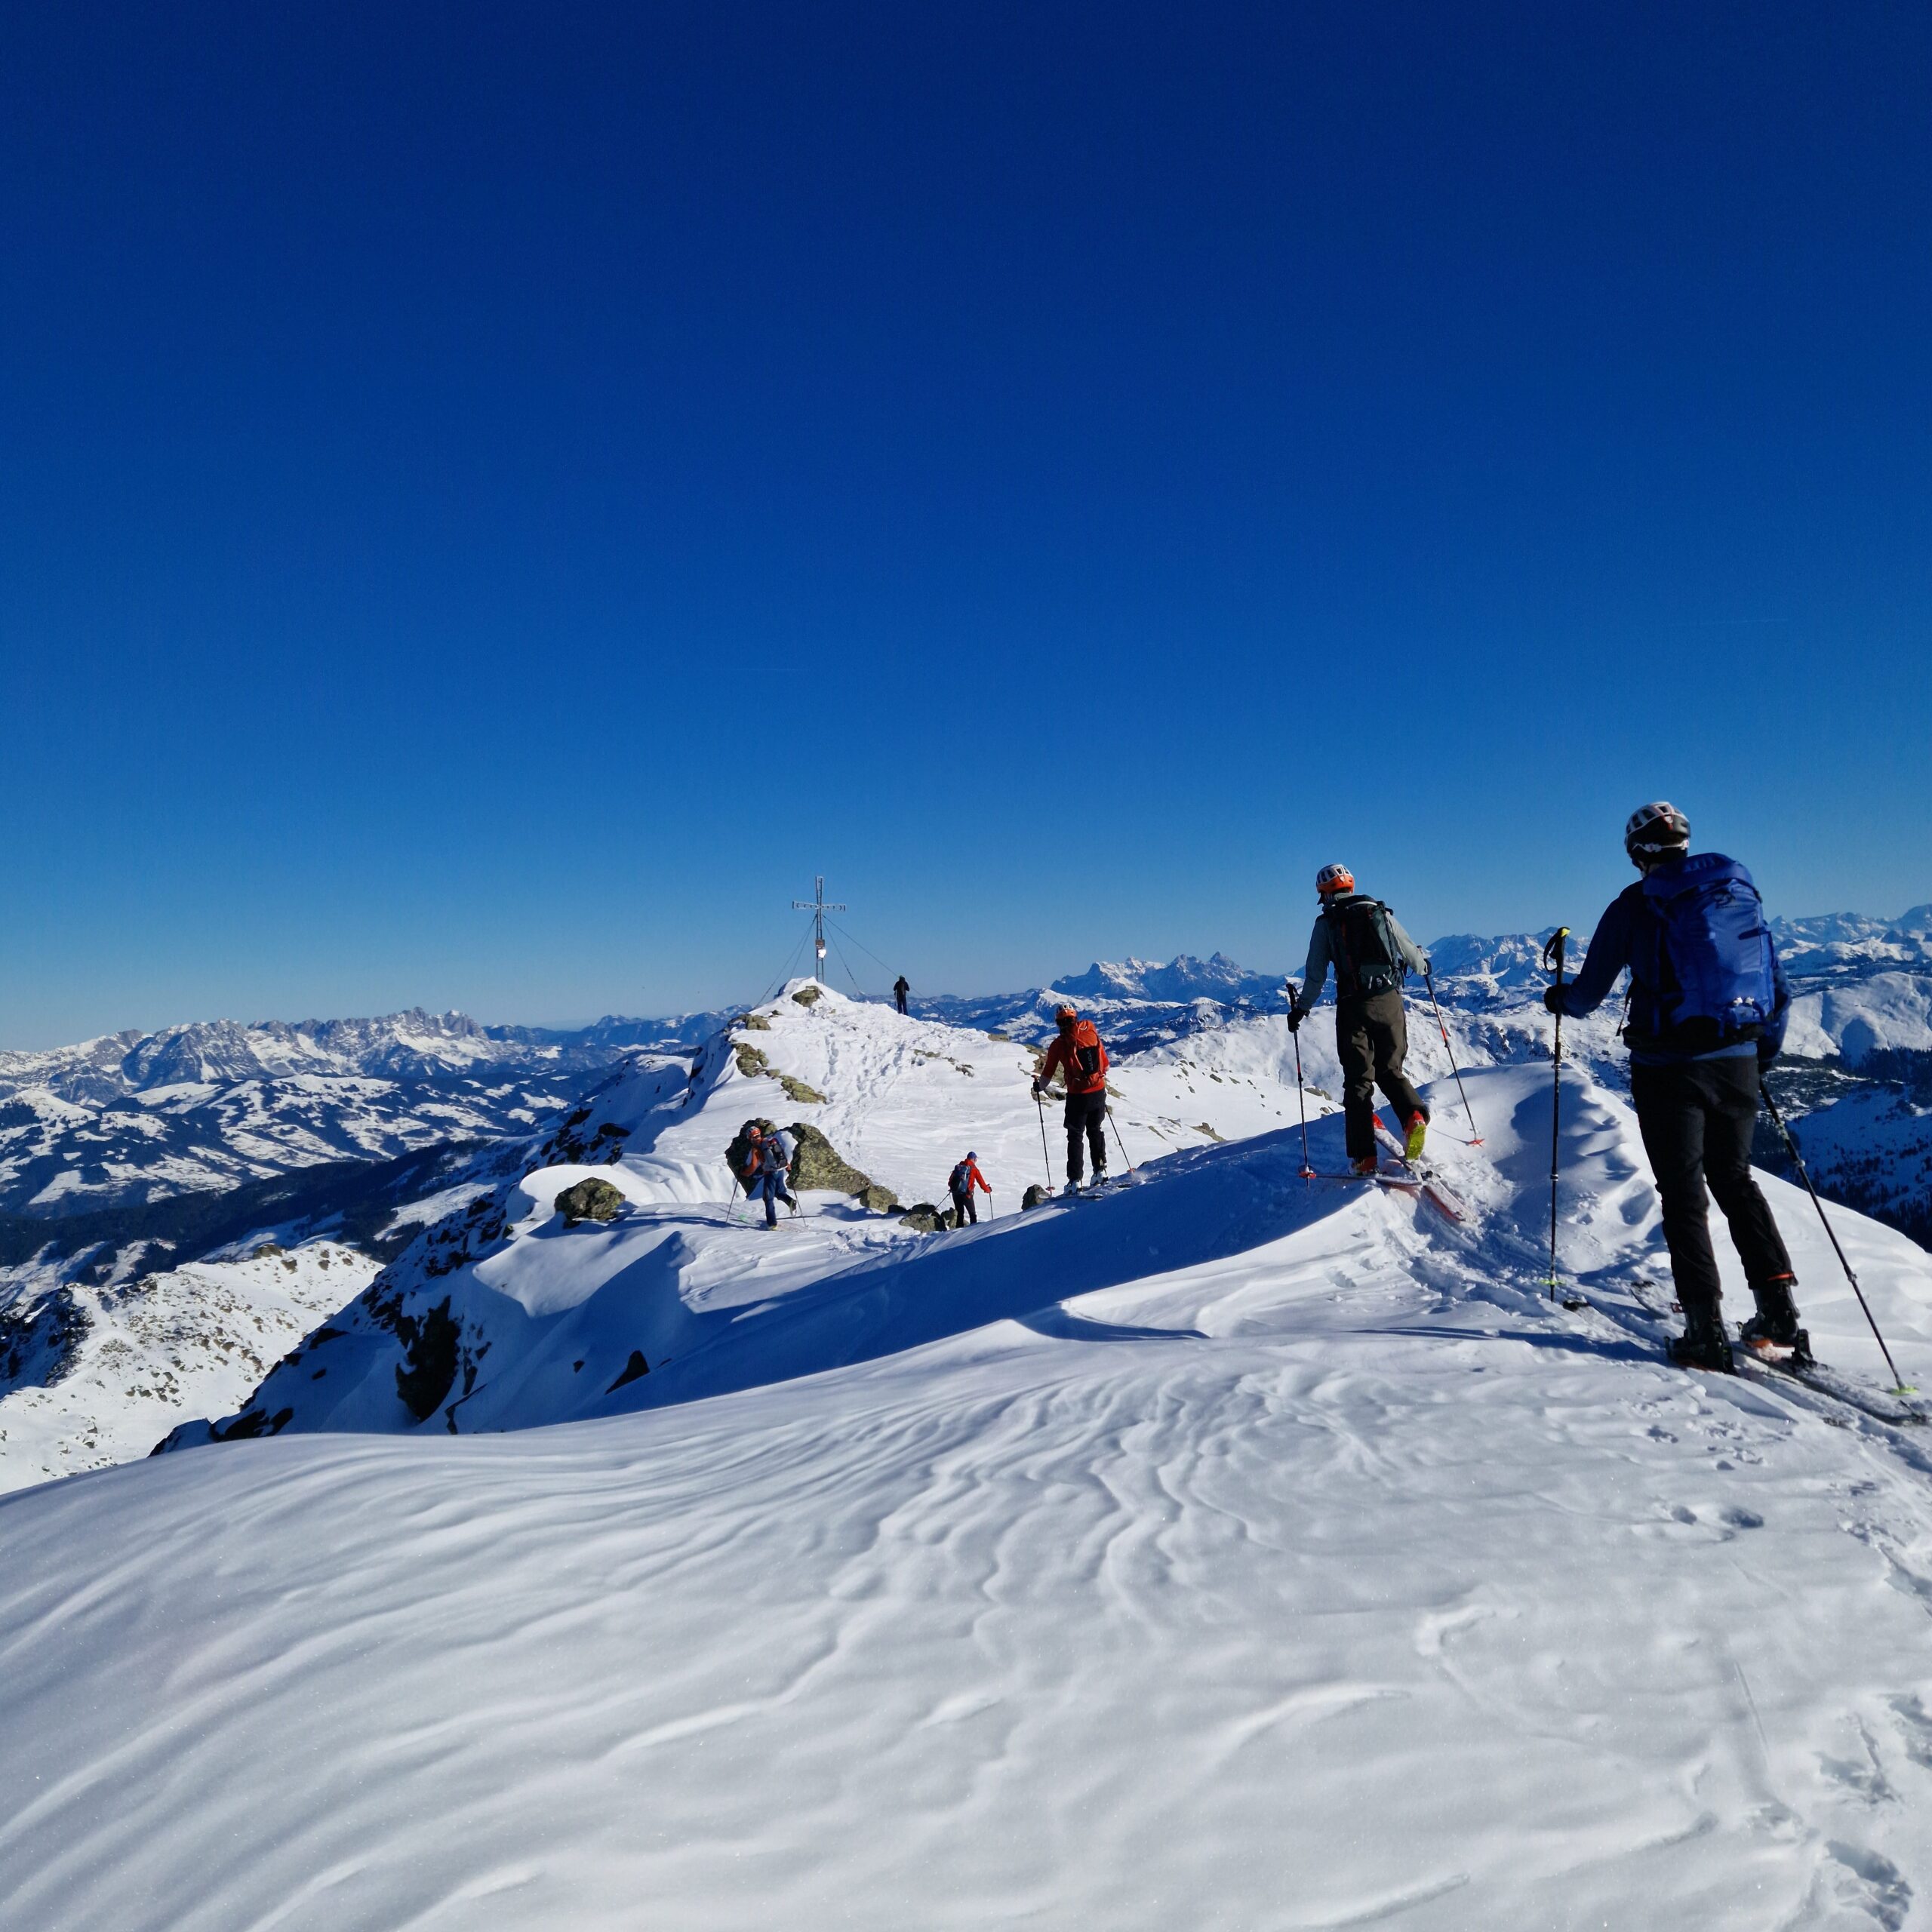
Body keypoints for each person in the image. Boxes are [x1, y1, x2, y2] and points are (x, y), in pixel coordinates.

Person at [1544, 801, 1802, 1373]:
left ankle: (1704, 1330)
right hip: (1738, 1059)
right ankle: (1779, 1310)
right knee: (1736, 1180)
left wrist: (1556, 998)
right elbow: (1778, 986)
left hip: (1667, 1069)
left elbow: (1586, 997)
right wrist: (1759, 1055)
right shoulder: (1733, 893)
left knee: (1684, 1194)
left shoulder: (1633, 905)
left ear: (1636, 853)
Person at [1286, 863, 1431, 1176]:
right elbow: (1411, 954)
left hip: (1354, 1006)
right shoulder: (1380, 912)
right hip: (1390, 1002)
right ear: (1350, 885)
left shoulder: (1326, 923)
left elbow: (1315, 975)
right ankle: (1413, 1118)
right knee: (1390, 1069)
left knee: (1358, 1081)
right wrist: (1424, 967)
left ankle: (1364, 1159)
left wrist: (1301, 1009)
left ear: (1324, 893)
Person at [1032, 1004, 1110, 1189]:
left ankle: (1075, 1181)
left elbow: (1047, 1075)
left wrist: (1038, 1087)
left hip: (1078, 1096)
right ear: (1076, 1018)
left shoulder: (1058, 1045)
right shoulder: (1091, 1032)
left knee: (1075, 1136)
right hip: (1098, 1091)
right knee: (1095, 1130)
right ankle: (1100, 1170)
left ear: (1058, 1023)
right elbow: (1105, 1065)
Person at [749, 1124, 799, 1228]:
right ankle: (790, 1201)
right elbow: (780, 1154)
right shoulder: (770, 1141)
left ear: (751, 1138)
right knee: (779, 1192)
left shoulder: (756, 1148)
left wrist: (743, 1172)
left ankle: (772, 1224)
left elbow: (753, 1166)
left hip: (770, 1174)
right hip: (780, 1170)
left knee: (768, 1198)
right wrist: (787, 1166)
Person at [949, 1152, 991, 1226]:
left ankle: (958, 1230)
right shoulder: (974, 1169)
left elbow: (950, 1181)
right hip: (967, 1194)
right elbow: (982, 1183)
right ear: (974, 1159)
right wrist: (988, 1190)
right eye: (976, 1159)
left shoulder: (959, 1167)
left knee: (960, 1213)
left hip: (956, 1193)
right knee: (972, 1214)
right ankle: (973, 1230)